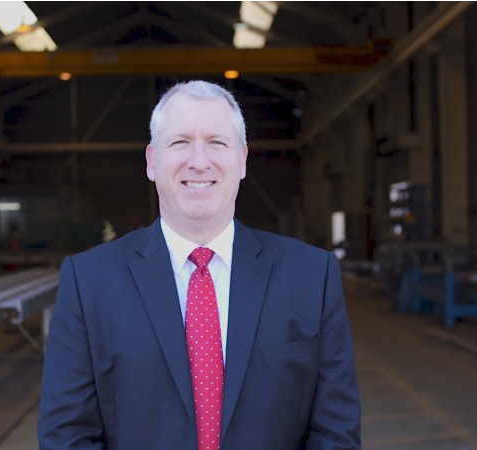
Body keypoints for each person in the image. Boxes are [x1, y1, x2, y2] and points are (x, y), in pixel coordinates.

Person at [38, 80, 361, 450]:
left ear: (242, 160)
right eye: (179, 142)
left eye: (216, 142)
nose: (199, 160)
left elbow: (336, 434)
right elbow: (66, 436)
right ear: (151, 161)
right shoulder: (88, 282)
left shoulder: (311, 276)